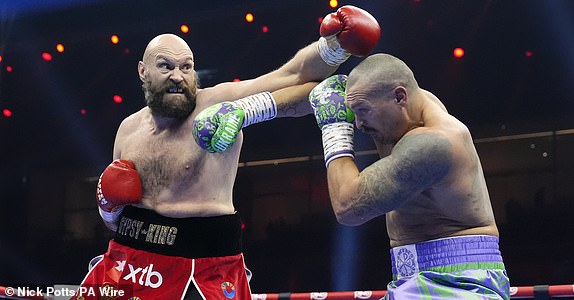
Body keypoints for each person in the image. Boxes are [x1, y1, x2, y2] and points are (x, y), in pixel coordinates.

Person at [75, 5, 380, 300]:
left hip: (198, 269)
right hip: (128, 262)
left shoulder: (217, 104)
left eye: (186, 67)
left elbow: (295, 76)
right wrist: (108, 206)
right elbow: (114, 219)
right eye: (165, 66)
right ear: (143, 71)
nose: (178, 76)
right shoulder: (127, 129)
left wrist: (334, 47)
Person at [308, 54, 510, 299]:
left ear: (400, 97)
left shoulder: (432, 144)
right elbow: (314, 97)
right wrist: (252, 107)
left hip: (457, 283)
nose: (358, 123)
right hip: (419, 279)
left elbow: (347, 206)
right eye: (354, 112)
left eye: (362, 111)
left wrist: (335, 129)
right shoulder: (402, 105)